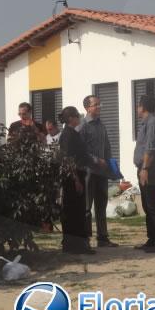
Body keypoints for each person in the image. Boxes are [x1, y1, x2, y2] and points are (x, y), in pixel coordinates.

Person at [58, 106, 98, 254]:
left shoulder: (72, 133)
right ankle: (74, 245)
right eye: (76, 116)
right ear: (71, 119)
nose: (79, 118)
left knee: (77, 210)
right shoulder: (68, 135)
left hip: (77, 175)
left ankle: (76, 244)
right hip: (72, 177)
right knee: (74, 211)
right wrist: (76, 179)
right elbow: (68, 159)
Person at [80, 95, 117, 248]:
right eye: (95, 105)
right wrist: (95, 160)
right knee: (87, 207)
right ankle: (86, 239)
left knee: (101, 206)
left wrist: (111, 164)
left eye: (99, 104)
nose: (98, 107)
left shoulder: (101, 125)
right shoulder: (82, 126)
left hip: (102, 172)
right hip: (88, 172)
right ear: (87, 108)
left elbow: (107, 146)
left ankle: (103, 238)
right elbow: (81, 151)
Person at [133, 95, 155, 253]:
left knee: (153, 206)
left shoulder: (153, 122)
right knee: (147, 205)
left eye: (138, 106)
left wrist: (145, 168)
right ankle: (152, 239)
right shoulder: (146, 123)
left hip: (150, 168)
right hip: (144, 168)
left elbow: (151, 148)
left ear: (142, 107)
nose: (137, 109)